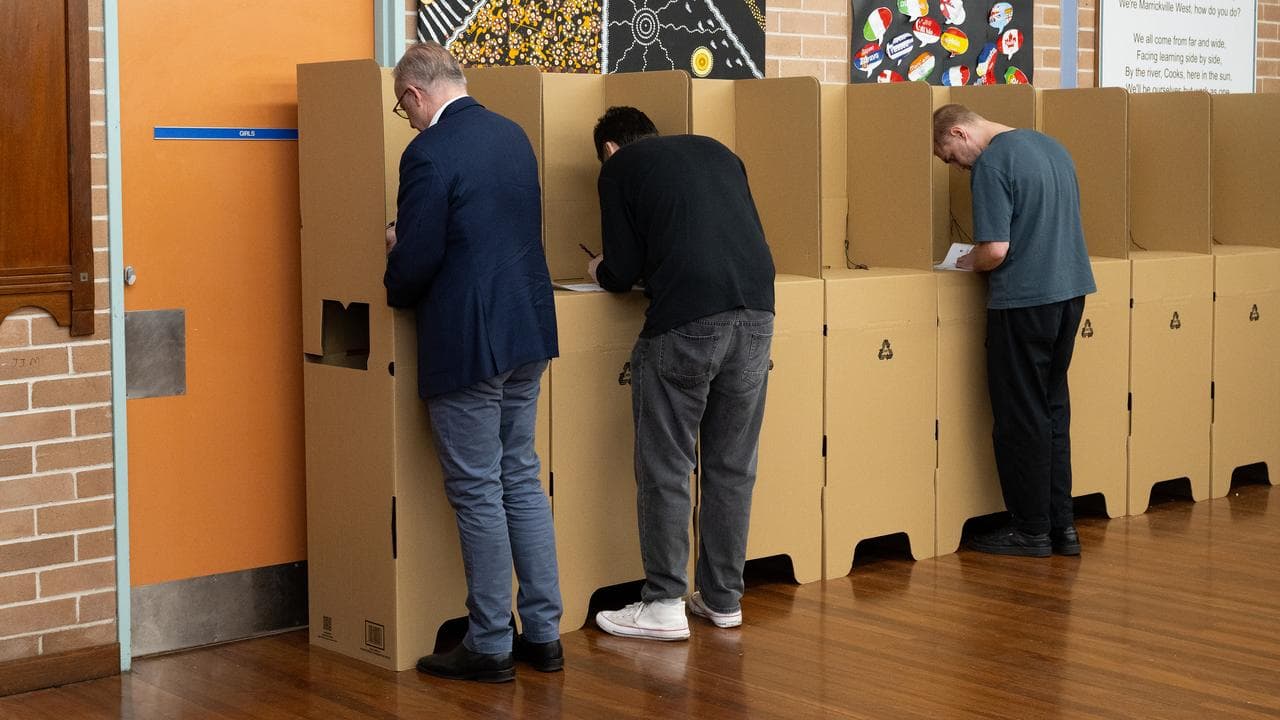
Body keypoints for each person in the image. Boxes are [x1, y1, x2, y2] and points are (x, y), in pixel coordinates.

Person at [384, 42, 562, 681]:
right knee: (520, 475)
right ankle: (543, 633)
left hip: (469, 342)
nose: (407, 121)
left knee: (478, 488)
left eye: (404, 110)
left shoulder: (428, 152)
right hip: (528, 330)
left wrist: (395, 254)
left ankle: (489, 642)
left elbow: (419, 263)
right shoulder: (513, 135)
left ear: (414, 94)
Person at [587, 107, 776, 640]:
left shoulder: (619, 169)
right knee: (731, 466)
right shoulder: (718, 151)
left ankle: (665, 602)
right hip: (758, 315)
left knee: (667, 466)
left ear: (608, 148)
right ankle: (721, 599)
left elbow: (622, 274)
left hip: (688, 323)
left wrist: (598, 268)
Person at [932, 104, 1096, 558]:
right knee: (1052, 411)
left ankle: (1030, 529)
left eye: (949, 157)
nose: (957, 168)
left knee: (1020, 417)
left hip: (1024, 300)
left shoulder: (992, 163)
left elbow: (996, 250)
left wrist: (965, 262)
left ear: (961, 134)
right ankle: (1062, 528)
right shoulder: (1052, 147)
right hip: (1070, 294)